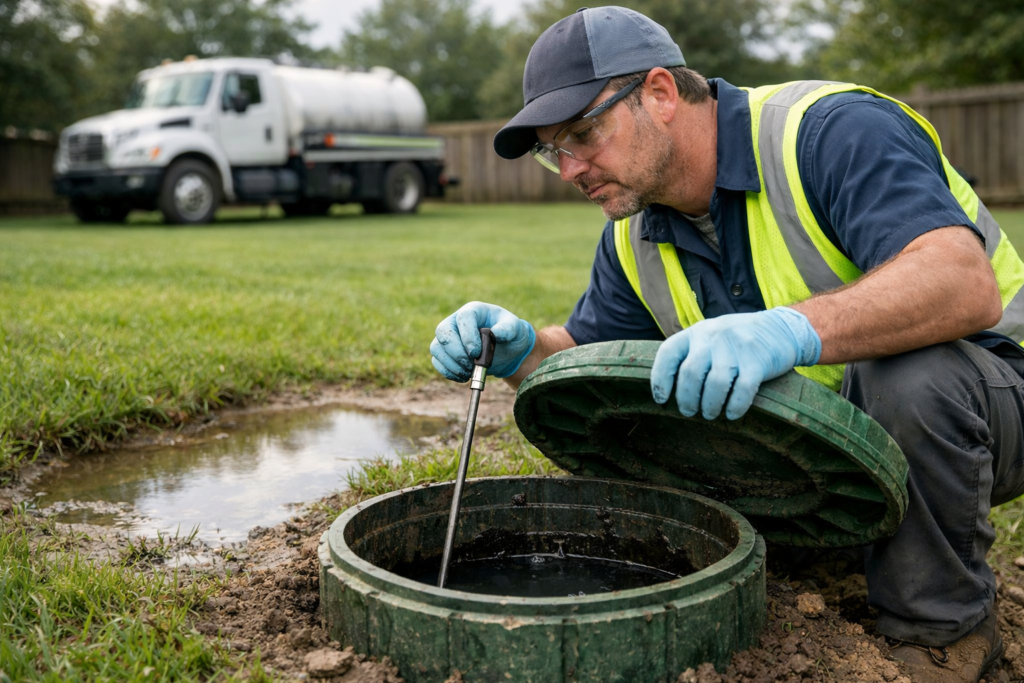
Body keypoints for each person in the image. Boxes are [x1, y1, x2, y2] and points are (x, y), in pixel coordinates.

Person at [429, 7, 1024, 681]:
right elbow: (593, 361)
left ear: (659, 93)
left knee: (913, 375)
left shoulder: (826, 132)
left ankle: (941, 632)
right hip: (847, 447)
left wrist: (789, 329)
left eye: (582, 134)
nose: (569, 169)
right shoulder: (635, 234)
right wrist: (520, 351)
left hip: (995, 398)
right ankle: (811, 545)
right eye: (552, 150)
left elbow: (963, 282)